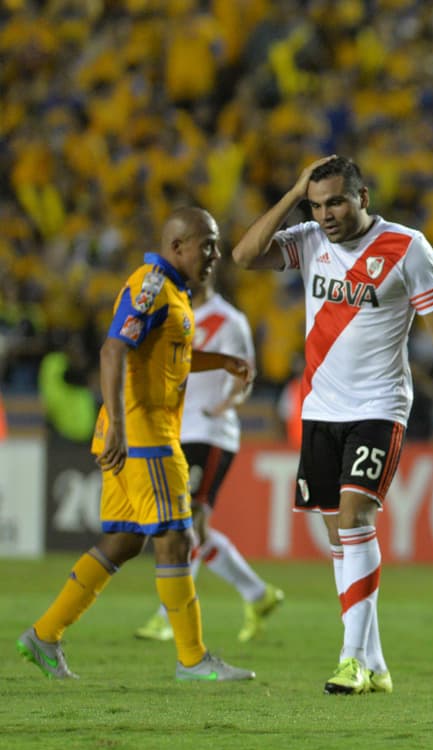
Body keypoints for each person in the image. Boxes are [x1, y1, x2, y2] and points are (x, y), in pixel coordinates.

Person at [232, 156, 433, 695]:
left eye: (336, 201)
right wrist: (295, 189)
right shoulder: (308, 239)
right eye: (316, 205)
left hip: (379, 406)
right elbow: (244, 255)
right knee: (337, 536)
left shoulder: (408, 248)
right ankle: (376, 661)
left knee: (354, 519)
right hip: (320, 409)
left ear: (364, 197)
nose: (326, 215)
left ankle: (351, 660)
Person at [17, 207, 255, 681]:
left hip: (140, 429)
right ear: (177, 247)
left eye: (216, 243)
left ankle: (44, 635)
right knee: (175, 536)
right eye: (206, 244)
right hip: (145, 434)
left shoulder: (174, 293)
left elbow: (167, 356)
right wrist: (123, 428)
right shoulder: (151, 287)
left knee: (125, 541)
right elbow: (113, 350)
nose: (216, 253)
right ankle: (192, 658)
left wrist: (221, 361)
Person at [134, 269, 286, 644]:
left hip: (209, 432)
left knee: (189, 522)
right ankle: (258, 594)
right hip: (176, 431)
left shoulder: (229, 320)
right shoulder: (173, 315)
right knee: (189, 525)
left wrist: (226, 403)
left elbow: (244, 373)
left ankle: (169, 614)